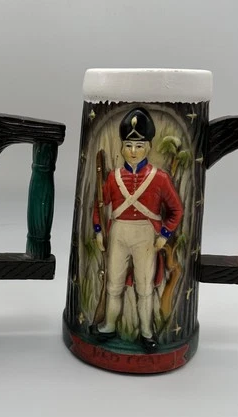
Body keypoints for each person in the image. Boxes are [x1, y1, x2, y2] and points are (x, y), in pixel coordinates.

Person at [93, 107, 183, 351]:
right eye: (129, 146)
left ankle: (146, 332)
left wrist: (164, 235)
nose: (133, 151)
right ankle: (109, 325)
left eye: (139, 146)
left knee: (144, 288)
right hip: (118, 233)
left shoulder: (160, 178)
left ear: (148, 147)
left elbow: (176, 210)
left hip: (146, 235)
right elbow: (99, 205)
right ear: (123, 147)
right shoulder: (113, 178)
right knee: (114, 285)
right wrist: (99, 230)